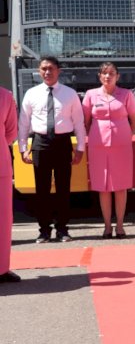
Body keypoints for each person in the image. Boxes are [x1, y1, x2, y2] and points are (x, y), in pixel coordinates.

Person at [18, 56, 86, 243]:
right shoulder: (31, 94)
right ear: (39, 71)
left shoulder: (70, 94)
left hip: (63, 143)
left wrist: (80, 148)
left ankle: (63, 229)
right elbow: (23, 123)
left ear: (58, 70)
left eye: (51, 68)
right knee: (42, 189)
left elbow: (79, 123)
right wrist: (23, 148)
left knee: (63, 188)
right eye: (43, 69)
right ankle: (44, 230)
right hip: (40, 143)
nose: (47, 72)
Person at [82, 62, 135, 239]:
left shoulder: (126, 95)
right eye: (104, 73)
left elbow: (134, 119)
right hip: (98, 146)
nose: (108, 76)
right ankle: (107, 226)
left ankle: (120, 226)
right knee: (103, 187)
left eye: (111, 73)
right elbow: (86, 121)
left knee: (120, 186)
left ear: (117, 76)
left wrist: (126, 134)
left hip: (121, 146)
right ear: (99, 76)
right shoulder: (91, 95)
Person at [0, 87, 19, 282]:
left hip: (1, 167)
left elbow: (11, 132)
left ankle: (2, 268)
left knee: (3, 220)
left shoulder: (5, 96)